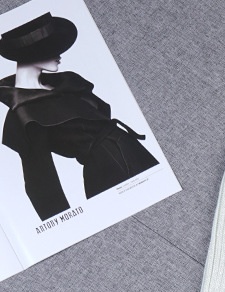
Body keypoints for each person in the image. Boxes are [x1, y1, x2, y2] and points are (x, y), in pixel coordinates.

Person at [0, 12, 159, 221]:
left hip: (134, 152)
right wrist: (68, 224)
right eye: (51, 47)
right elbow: (42, 183)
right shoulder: (23, 113)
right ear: (29, 53)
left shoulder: (68, 83)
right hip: (107, 170)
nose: (60, 53)